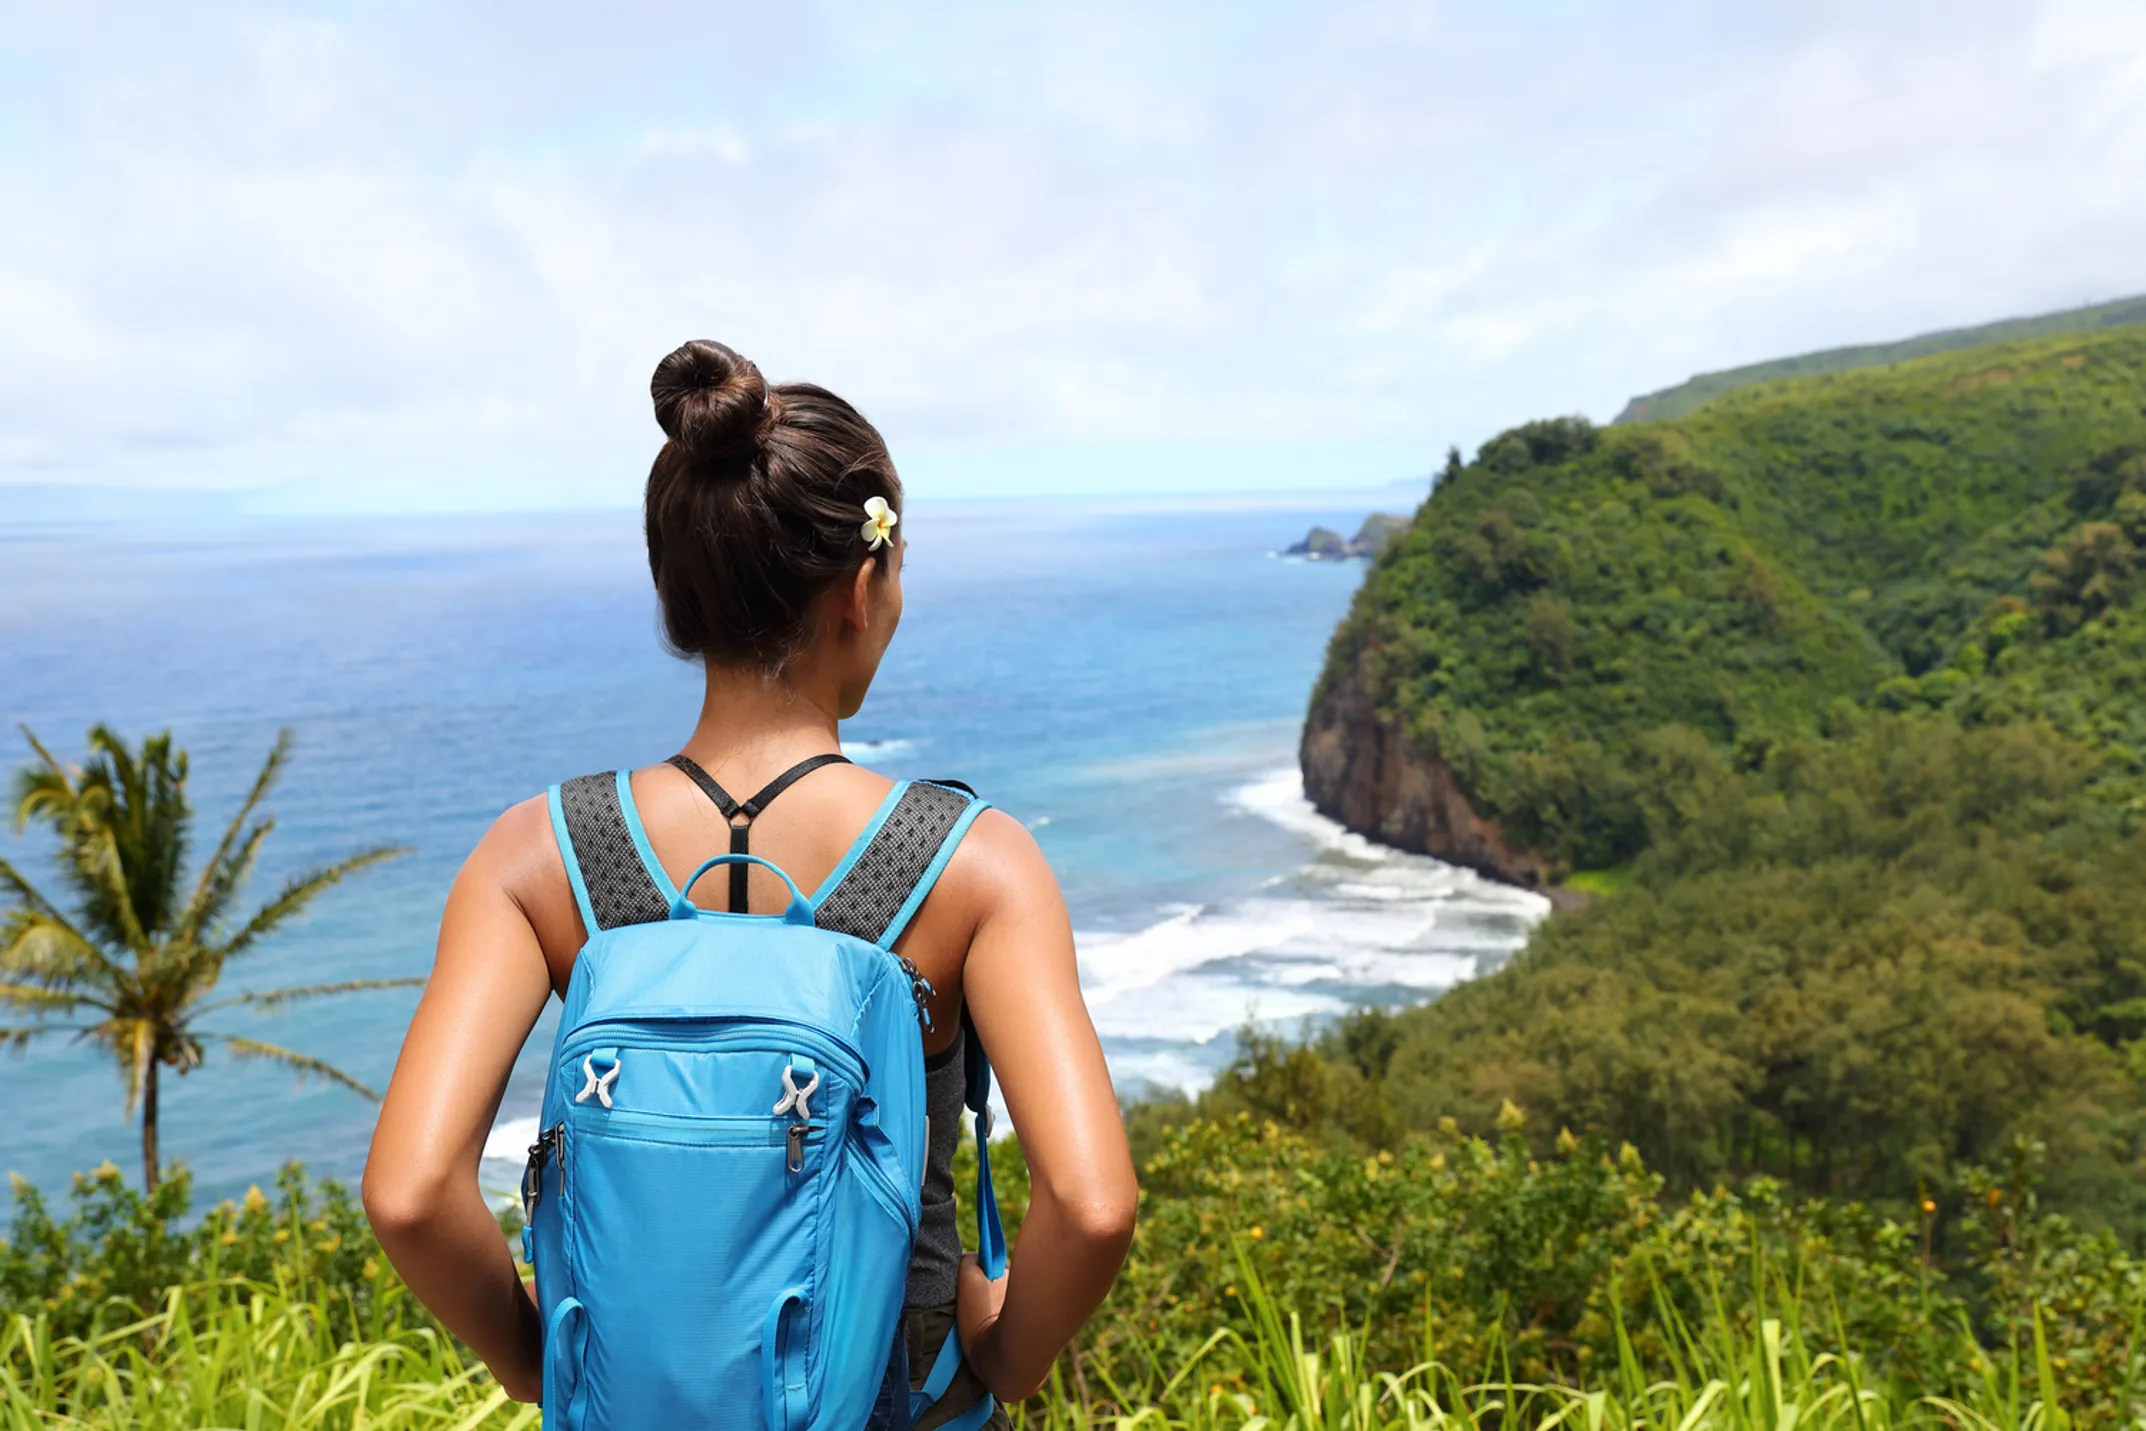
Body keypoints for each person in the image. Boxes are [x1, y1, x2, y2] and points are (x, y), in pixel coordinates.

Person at [362, 340, 1138, 1424]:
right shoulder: (972, 863)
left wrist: (544, 1373)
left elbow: (408, 1194)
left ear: (679, 596)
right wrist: (1000, 1366)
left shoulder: (536, 856)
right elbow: (1092, 1206)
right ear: (862, 590)